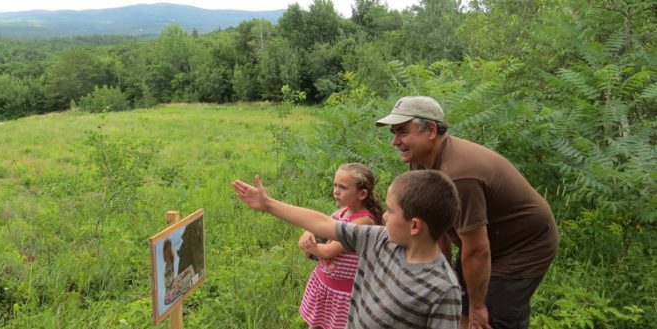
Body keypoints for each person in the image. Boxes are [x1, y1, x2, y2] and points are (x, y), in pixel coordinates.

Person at [375, 96, 559, 329]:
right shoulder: (421, 160)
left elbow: (478, 251)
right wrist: (442, 273)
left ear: (431, 130)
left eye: (402, 132)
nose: (395, 141)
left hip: (523, 246)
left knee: (490, 317)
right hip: (484, 240)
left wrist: (478, 306)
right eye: (393, 133)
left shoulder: (459, 175)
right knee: (460, 305)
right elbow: (435, 226)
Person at [233, 170, 462, 328]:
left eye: (391, 211)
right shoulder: (379, 240)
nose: (383, 215)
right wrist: (268, 204)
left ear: (414, 226)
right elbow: (324, 224)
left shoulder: (442, 290)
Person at [296, 163, 382, 328]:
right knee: (316, 324)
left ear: (362, 194)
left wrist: (309, 247)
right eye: (335, 185)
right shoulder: (342, 212)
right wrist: (309, 233)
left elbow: (328, 251)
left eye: (342, 187)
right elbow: (319, 226)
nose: (336, 190)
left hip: (344, 293)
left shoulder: (363, 221)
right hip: (324, 283)